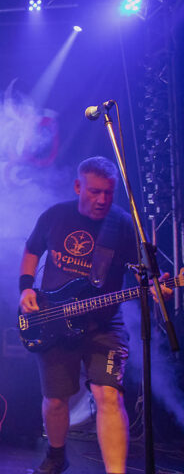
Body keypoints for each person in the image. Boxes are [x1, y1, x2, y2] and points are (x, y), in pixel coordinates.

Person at [19, 156, 179, 474]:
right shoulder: (56, 215)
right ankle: (56, 456)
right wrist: (26, 289)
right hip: (53, 319)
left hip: (104, 324)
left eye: (108, 192)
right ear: (79, 187)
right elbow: (32, 249)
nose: (102, 199)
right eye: (94, 191)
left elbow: (146, 274)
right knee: (56, 399)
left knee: (108, 394)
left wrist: (158, 287)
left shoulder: (123, 225)